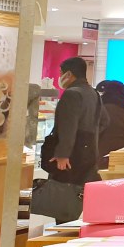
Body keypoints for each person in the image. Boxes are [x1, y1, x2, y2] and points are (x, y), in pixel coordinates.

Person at [46, 57, 104, 186]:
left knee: (63, 190)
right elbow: (104, 121)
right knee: (82, 190)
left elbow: (68, 126)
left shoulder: (71, 94)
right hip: (90, 151)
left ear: (69, 74)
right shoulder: (93, 92)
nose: (59, 77)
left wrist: (63, 154)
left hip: (73, 154)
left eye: (61, 73)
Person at [96, 80, 124, 169]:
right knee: (122, 174)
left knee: (103, 175)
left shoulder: (100, 107)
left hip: (102, 150)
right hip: (123, 152)